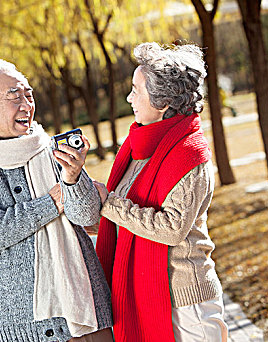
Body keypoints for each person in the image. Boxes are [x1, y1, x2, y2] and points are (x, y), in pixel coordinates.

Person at [0, 58, 113, 342]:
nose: (26, 104)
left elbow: (89, 218)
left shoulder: (53, 152)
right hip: (23, 330)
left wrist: (73, 178)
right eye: (13, 96)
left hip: (87, 317)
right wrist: (49, 205)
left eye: (28, 94)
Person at [92, 42, 228, 341]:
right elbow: (116, 217)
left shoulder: (190, 157)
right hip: (146, 295)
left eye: (136, 90)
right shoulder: (138, 150)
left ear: (163, 100)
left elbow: (171, 229)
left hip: (187, 303)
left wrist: (109, 204)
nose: (129, 98)